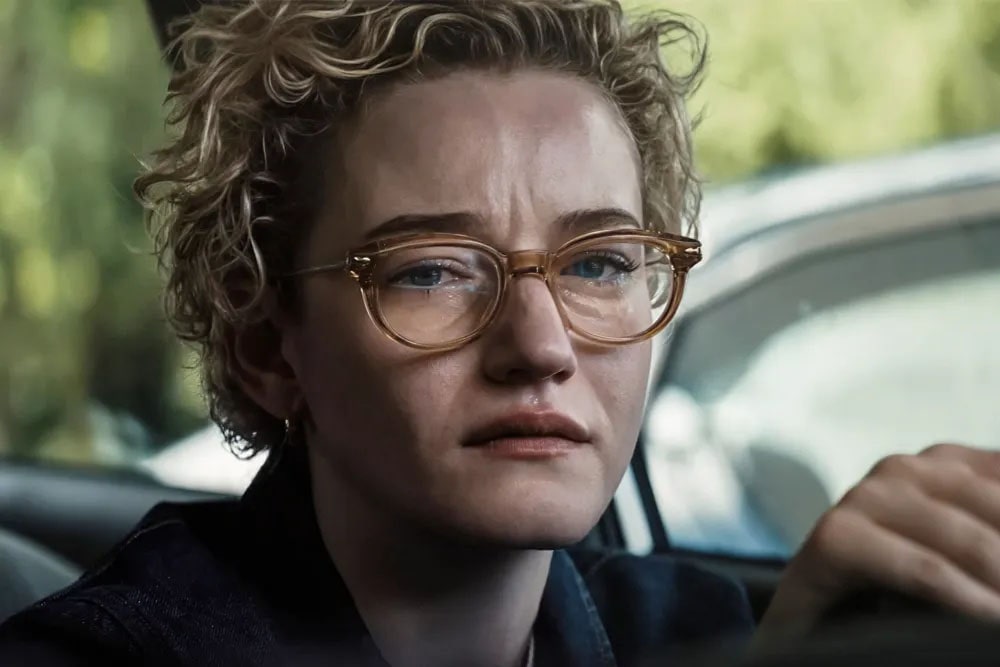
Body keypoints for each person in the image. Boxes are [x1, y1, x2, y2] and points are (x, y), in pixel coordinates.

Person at [2, 1, 999, 665]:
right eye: (432, 271)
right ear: (267, 347)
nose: (540, 346)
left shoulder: (693, 628)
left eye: (598, 264)